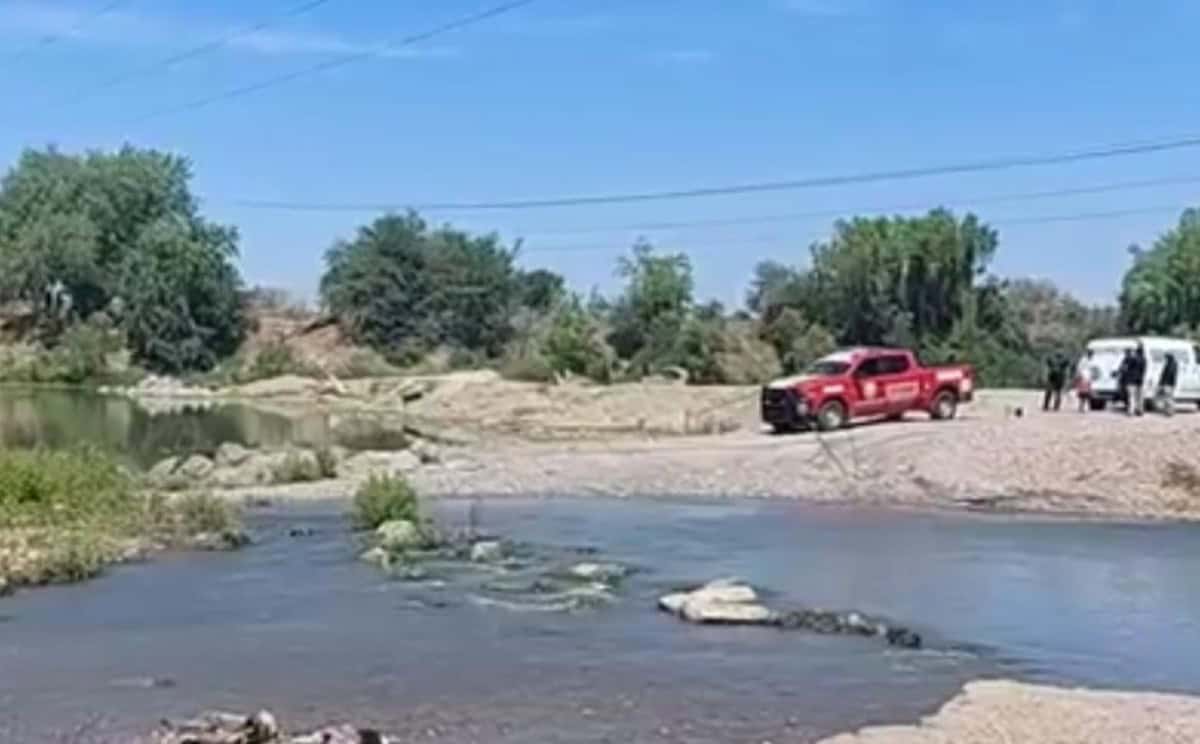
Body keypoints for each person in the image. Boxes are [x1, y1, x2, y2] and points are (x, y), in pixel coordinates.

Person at [1127, 344, 1147, 416]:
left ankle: (1131, 411)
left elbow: (1128, 369)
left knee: (1132, 396)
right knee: (1140, 397)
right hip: (1140, 380)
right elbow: (1144, 370)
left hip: (1132, 380)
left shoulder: (1133, 359)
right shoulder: (1144, 359)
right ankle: (1140, 410)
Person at [1158, 352, 1179, 416]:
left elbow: (1167, 374)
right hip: (1172, 383)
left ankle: (1169, 412)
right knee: (1170, 398)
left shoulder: (1169, 364)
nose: (1165, 359)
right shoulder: (1174, 364)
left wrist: (1162, 383)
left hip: (1168, 383)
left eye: (1166, 357)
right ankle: (1169, 411)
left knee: (1167, 398)